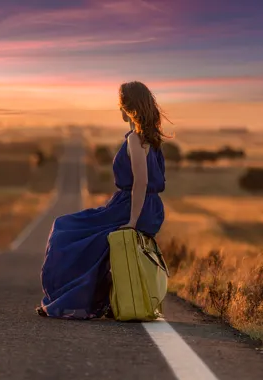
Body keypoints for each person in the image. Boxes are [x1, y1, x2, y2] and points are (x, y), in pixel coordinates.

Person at [37, 81, 169, 319]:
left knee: (66, 229)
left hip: (130, 207)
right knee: (93, 242)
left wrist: (132, 221)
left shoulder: (135, 139)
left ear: (126, 108)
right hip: (147, 207)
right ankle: (96, 301)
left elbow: (141, 182)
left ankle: (63, 301)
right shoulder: (152, 139)